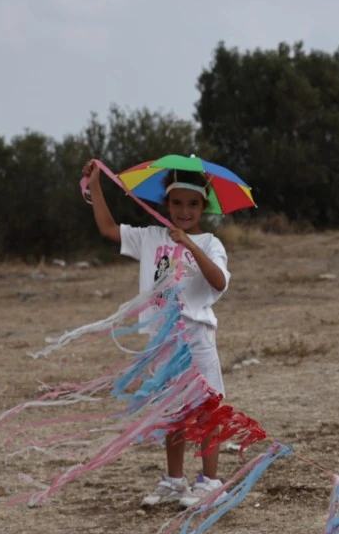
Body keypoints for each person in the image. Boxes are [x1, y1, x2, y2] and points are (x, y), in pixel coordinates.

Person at [82, 159, 231, 509]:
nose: (184, 211)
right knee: (173, 411)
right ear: (166, 204)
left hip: (197, 340)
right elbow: (107, 228)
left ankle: (210, 483)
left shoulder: (211, 243)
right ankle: (175, 481)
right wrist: (96, 185)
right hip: (163, 343)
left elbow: (219, 281)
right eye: (177, 203)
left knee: (207, 410)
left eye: (193, 204)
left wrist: (190, 245)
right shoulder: (150, 238)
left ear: (203, 206)